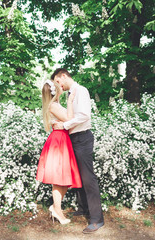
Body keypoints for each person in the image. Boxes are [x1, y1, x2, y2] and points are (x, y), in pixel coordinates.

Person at [51, 68, 104, 234]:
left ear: (64, 76)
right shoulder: (70, 94)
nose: (58, 86)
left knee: (88, 178)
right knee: (78, 176)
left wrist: (64, 125)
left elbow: (84, 116)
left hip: (83, 138)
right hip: (73, 139)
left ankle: (97, 219)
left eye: (58, 82)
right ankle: (83, 209)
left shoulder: (81, 91)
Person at [36, 80, 82, 225]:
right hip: (59, 140)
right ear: (55, 90)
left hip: (62, 139)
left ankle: (55, 208)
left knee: (64, 178)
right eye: (59, 87)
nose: (62, 87)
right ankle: (58, 211)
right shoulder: (54, 105)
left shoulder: (53, 105)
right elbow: (70, 118)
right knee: (59, 178)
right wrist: (70, 102)